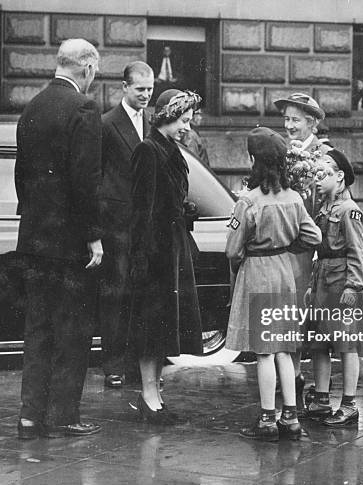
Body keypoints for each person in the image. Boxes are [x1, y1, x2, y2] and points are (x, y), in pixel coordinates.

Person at [14, 38, 104, 439]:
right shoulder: (84, 108)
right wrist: (94, 237)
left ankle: (30, 415)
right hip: (70, 243)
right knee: (72, 329)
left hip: (35, 237)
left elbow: (21, 176)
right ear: (85, 68)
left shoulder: (31, 107)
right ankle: (64, 414)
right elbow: (86, 181)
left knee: (38, 329)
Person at [225, 127, 322, 441]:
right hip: (284, 272)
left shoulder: (248, 200)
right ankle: (290, 417)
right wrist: (286, 247)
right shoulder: (294, 198)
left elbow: (232, 249)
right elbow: (313, 237)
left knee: (264, 352)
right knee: (283, 348)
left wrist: (250, 255)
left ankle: (267, 418)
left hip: (257, 271)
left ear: (255, 160)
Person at [128, 89, 203, 424]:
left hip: (170, 247)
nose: (187, 126)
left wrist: (183, 208)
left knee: (160, 330)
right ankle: (148, 397)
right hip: (155, 252)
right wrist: (141, 258)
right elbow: (141, 208)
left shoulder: (170, 149)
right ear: (167, 117)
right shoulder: (148, 150)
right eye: (183, 120)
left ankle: (155, 395)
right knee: (150, 329)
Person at [305, 149, 363, 427]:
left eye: (324, 175)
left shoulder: (350, 211)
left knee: (346, 345)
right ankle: (322, 399)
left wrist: (353, 287)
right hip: (323, 279)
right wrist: (312, 286)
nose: (317, 180)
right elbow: (319, 254)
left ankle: (348, 404)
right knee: (319, 343)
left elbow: (357, 253)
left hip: (343, 281)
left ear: (340, 176)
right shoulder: (323, 208)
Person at [273, 92, 332, 415]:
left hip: (311, 251)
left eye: (295, 120)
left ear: (312, 122)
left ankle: (312, 388)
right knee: (287, 318)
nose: (289, 125)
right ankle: (292, 381)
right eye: (286, 120)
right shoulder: (281, 152)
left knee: (309, 320)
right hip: (286, 250)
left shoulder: (325, 156)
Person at [99, 61, 155, 389]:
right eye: (140, 90)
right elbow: (99, 177)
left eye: (150, 90)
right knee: (115, 296)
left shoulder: (152, 124)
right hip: (117, 227)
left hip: (145, 227)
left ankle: (138, 363)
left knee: (143, 296)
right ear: (124, 87)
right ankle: (113, 366)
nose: (146, 95)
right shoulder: (106, 124)